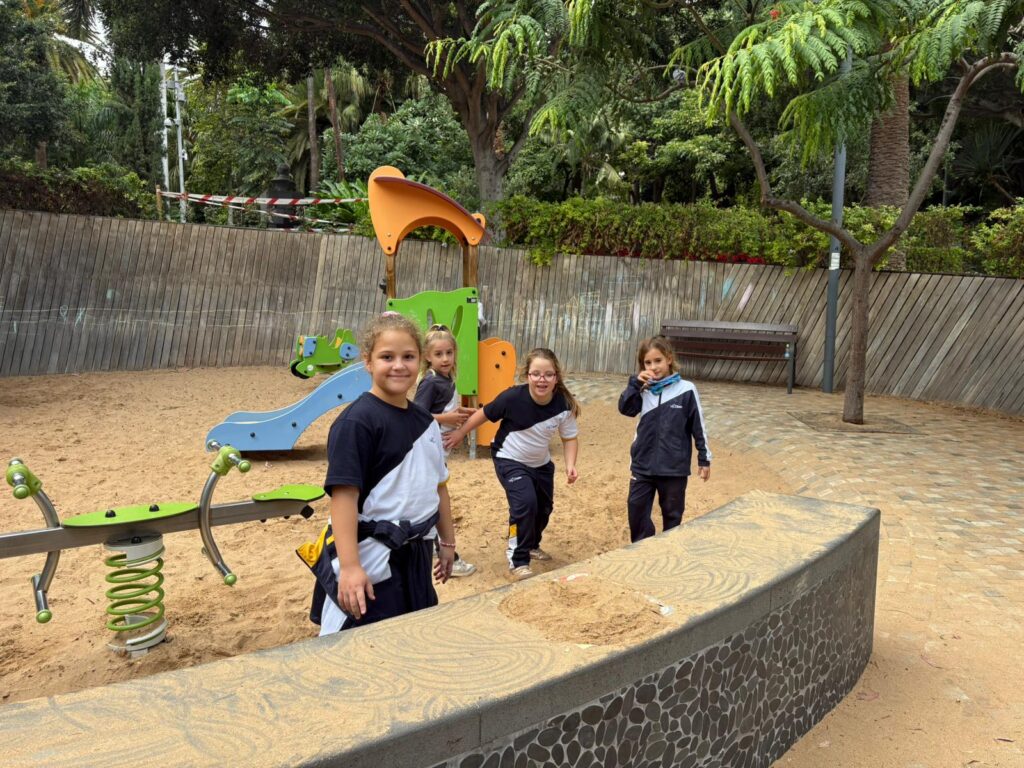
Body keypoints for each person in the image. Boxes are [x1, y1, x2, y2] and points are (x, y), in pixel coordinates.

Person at [296, 312, 456, 635]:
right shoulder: (356, 423)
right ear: (368, 361)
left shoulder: (426, 422)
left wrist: (447, 541)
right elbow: (344, 497)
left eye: (408, 357)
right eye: (387, 357)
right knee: (364, 641)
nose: (399, 365)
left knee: (413, 635)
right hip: (370, 557)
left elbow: (438, 487)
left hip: (417, 554)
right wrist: (350, 567)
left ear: (420, 361)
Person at [444, 348, 579, 581]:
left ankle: (532, 544)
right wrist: (460, 433)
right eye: (536, 374)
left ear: (556, 377)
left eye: (548, 374)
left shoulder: (564, 404)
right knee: (525, 504)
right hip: (510, 459)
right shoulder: (512, 398)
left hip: (541, 464)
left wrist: (570, 464)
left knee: (543, 508)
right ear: (527, 375)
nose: (542, 380)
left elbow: (570, 438)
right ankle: (518, 559)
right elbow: (483, 414)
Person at [618, 336, 711, 543]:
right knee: (636, 511)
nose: (653, 367)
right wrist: (634, 384)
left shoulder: (687, 389)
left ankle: (668, 551)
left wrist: (704, 458)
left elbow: (698, 426)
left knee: (672, 515)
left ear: (669, 359)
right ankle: (643, 551)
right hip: (642, 465)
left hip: (673, 468)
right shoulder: (643, 390)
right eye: (648, 362)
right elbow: (626, 409)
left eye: (658, 360)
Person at [414, 323, 478, 577]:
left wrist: (458, 417)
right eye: (438, 354)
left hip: (440, 448)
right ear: (427, 357)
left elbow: (443, 411)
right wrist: (447, 419)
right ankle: (444, 551)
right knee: (435, 499)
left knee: (433, 496)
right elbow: (417, 415)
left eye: (449, 353)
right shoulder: (430, 382)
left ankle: (432, 545)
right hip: (428, 448)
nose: (445, 359)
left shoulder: (446, 379)